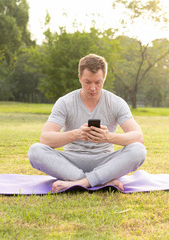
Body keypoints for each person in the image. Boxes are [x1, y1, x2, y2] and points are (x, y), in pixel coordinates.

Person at [28, 54, 146, 193]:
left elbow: (138, 137)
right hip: (71, 162)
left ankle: (82, 182)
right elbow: (45, 138)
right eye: (87, 82)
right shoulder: (65, 102)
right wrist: (76, 134)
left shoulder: (116, 103)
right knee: (35, 151)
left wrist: (108, 137)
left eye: (98, 82)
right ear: (79, 78)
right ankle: (102, 181)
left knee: (139, 150)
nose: (93, 88)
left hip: (105, 161)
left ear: (104, 79)